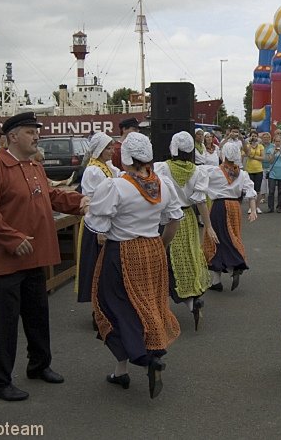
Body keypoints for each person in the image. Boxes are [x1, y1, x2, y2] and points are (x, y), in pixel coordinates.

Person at [0, 112, 88, 402]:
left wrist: (79, 201)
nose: (36, 136)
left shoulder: (33, 166)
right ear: (12, 136)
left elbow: (49, 195)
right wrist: (12, 238)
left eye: (36, 131)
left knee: (37, 316)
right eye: (29, 132)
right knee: (5, 324)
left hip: (33, 257)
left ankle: (39, 365)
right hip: (3, 263)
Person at [86, 132, 183, 398]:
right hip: (152, 247)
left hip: (122, 251)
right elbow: (174, 219)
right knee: (148, 303)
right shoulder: (162, 184)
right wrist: (160, 246)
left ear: (126, 157)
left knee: (114, 306)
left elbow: (99, 225)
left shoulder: (116, 186)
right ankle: (122, 369)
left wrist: (89, 208)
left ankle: (144, 357)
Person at [154, 131, 218, 330]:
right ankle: (192, 301)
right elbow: (200, 201)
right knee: (187, 258)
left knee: (163, 259)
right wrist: (208, 226)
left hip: (165, 218)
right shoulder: (198, 172)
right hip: (187, 218)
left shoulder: (162, 168)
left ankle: (160, 304)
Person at [202, 142, 258, 291]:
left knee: (218, 239)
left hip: (219, 207)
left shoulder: (214, 171)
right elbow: (251, 192)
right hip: (235, 207)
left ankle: (234, 266)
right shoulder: (242, 173)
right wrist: (253, 210)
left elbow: (197, 175)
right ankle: (216, 281)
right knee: (231, 235)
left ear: (224, 154)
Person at [76, 131, 120, 305]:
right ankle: (98, 310)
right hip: (96, 224)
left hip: (105, 223)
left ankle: (104, 307)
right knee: (96, 268)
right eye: (108, 148)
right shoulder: (94, 171)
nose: (112, 151)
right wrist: (101, 229)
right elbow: (93, 200)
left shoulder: (106, 166)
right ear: (100, 149)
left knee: (104, 270)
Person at [264, 134, 281, 212]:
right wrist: (274, 153)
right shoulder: (270, 150)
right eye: (276, 141)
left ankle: (279, 207)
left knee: (280, 191)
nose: (277, 143)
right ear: (274, 142)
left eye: (279, 141)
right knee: (271, 191)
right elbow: (270, 161)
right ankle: (270, 208)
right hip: (272, 173)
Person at [243, 131, 265, 214]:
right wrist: (249, 146)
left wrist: (254, 157)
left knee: (258, 190)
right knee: (250, 189)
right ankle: (250, 207)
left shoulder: (260, 146)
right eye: (252, 136)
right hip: (249, 170)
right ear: (250, 137)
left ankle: (257, 206)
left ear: (257, 137)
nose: (254, 137)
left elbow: (263, 158)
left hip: (259, 170)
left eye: (255, 136)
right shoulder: (248, 146)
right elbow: (246, 154)